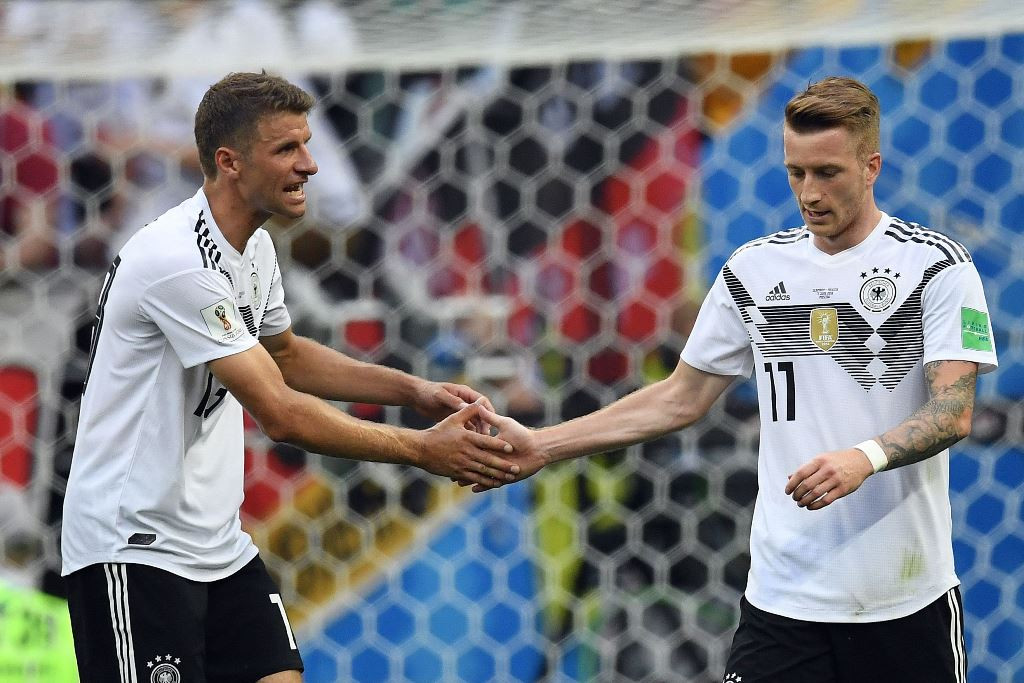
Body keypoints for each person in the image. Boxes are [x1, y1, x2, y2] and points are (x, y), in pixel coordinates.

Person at [481, 76, 997, 683]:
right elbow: (679, 397)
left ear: (871, 165)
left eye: (827, 172)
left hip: (904, 600)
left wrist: (866, 457)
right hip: (783, 600)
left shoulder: (936, 266)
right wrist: (544, 443)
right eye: (795, 172)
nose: (809, 192)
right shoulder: (754, 271)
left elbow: (952, 412)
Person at [60, 71, 519, 683]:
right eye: (287, 149)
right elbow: (280, 412)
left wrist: (415, 391)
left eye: (307, 144)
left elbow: (287, 355)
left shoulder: (253, 247)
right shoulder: (176, 262)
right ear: (229, 162)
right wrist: (422, 450)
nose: (311, 165)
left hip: (216, 544)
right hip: (133, 549)